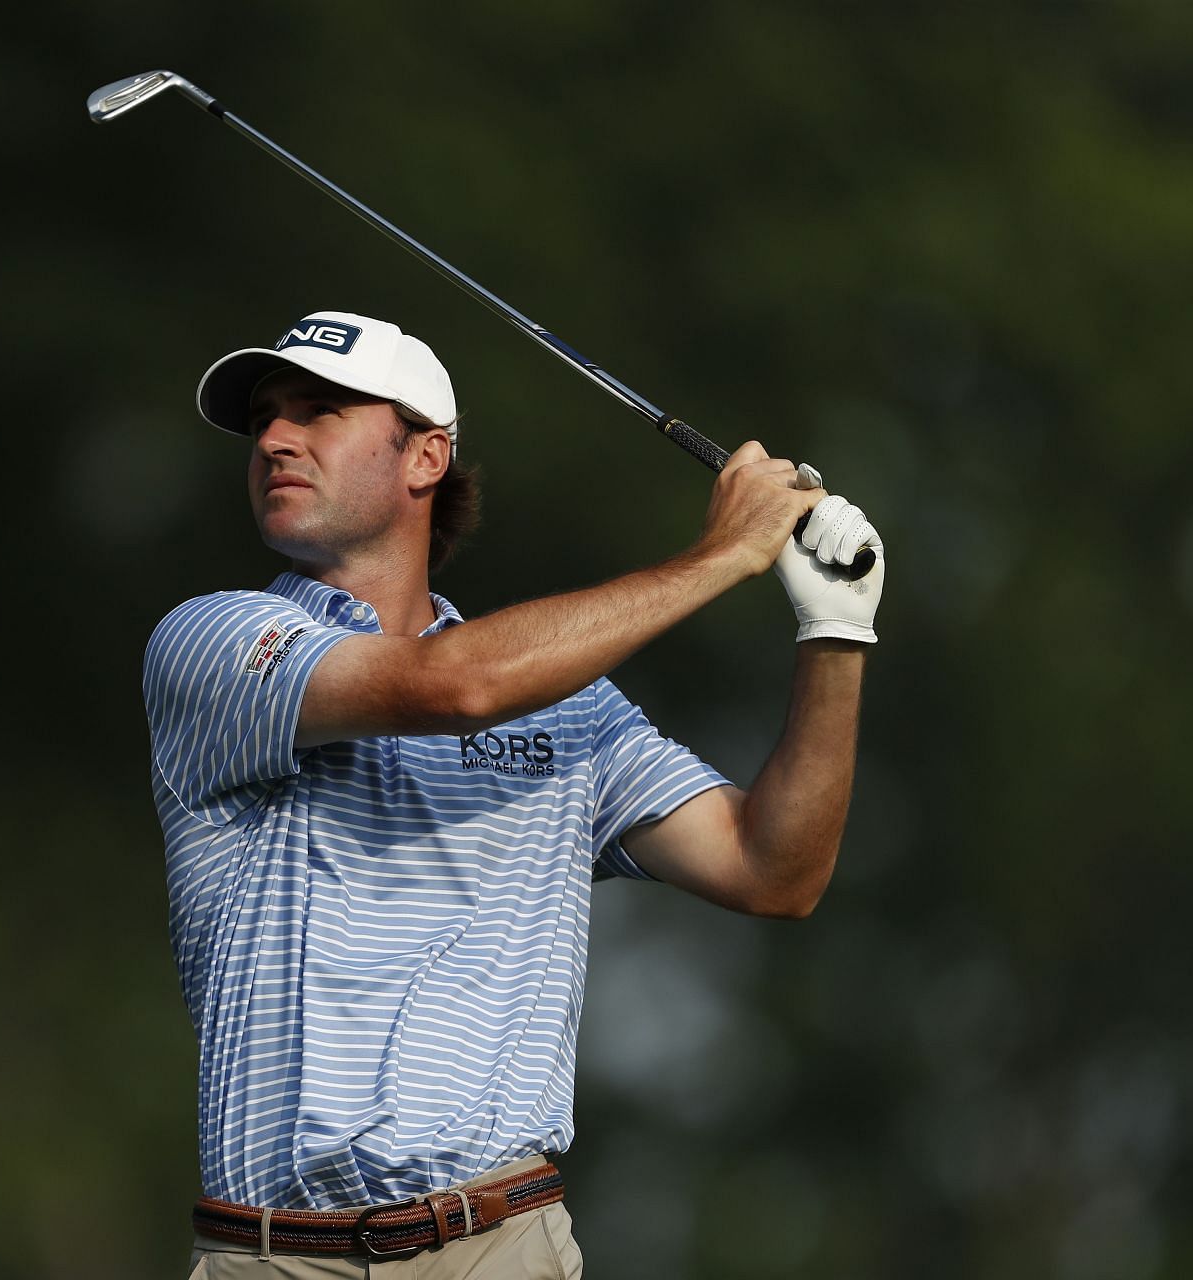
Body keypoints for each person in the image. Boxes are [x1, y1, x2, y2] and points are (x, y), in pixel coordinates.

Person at [142, 310, 885, 1277]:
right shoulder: (210, 643)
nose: (277, 438)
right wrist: (719, 558)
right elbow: (453, 688)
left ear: (426, 456)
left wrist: (835, 637)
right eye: (265, 421)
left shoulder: (570, 710)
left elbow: (773, 868)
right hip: (276, 1258)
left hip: (502, 1247)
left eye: (320, 412)